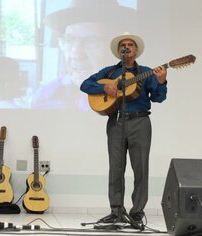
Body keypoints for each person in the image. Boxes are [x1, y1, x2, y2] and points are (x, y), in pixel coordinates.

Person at [80, 32, 167, 226]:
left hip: (140, 122)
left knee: (141, 168)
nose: (126, 47)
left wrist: (161, 82)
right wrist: (104, 89)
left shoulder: (147, 72)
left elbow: (158, 98)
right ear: (119, 51)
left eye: (130, 45)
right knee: (116, 169)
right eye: (123, 45)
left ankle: (137, 213)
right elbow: (84, 85)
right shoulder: (109, 72)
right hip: (116, 122)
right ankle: (116, 211)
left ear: (136, 51)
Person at [32, 0, 135, 110]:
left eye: (91, 41)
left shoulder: (135, 93)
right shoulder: (45, 96)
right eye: (69, 40)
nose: (76, 54)